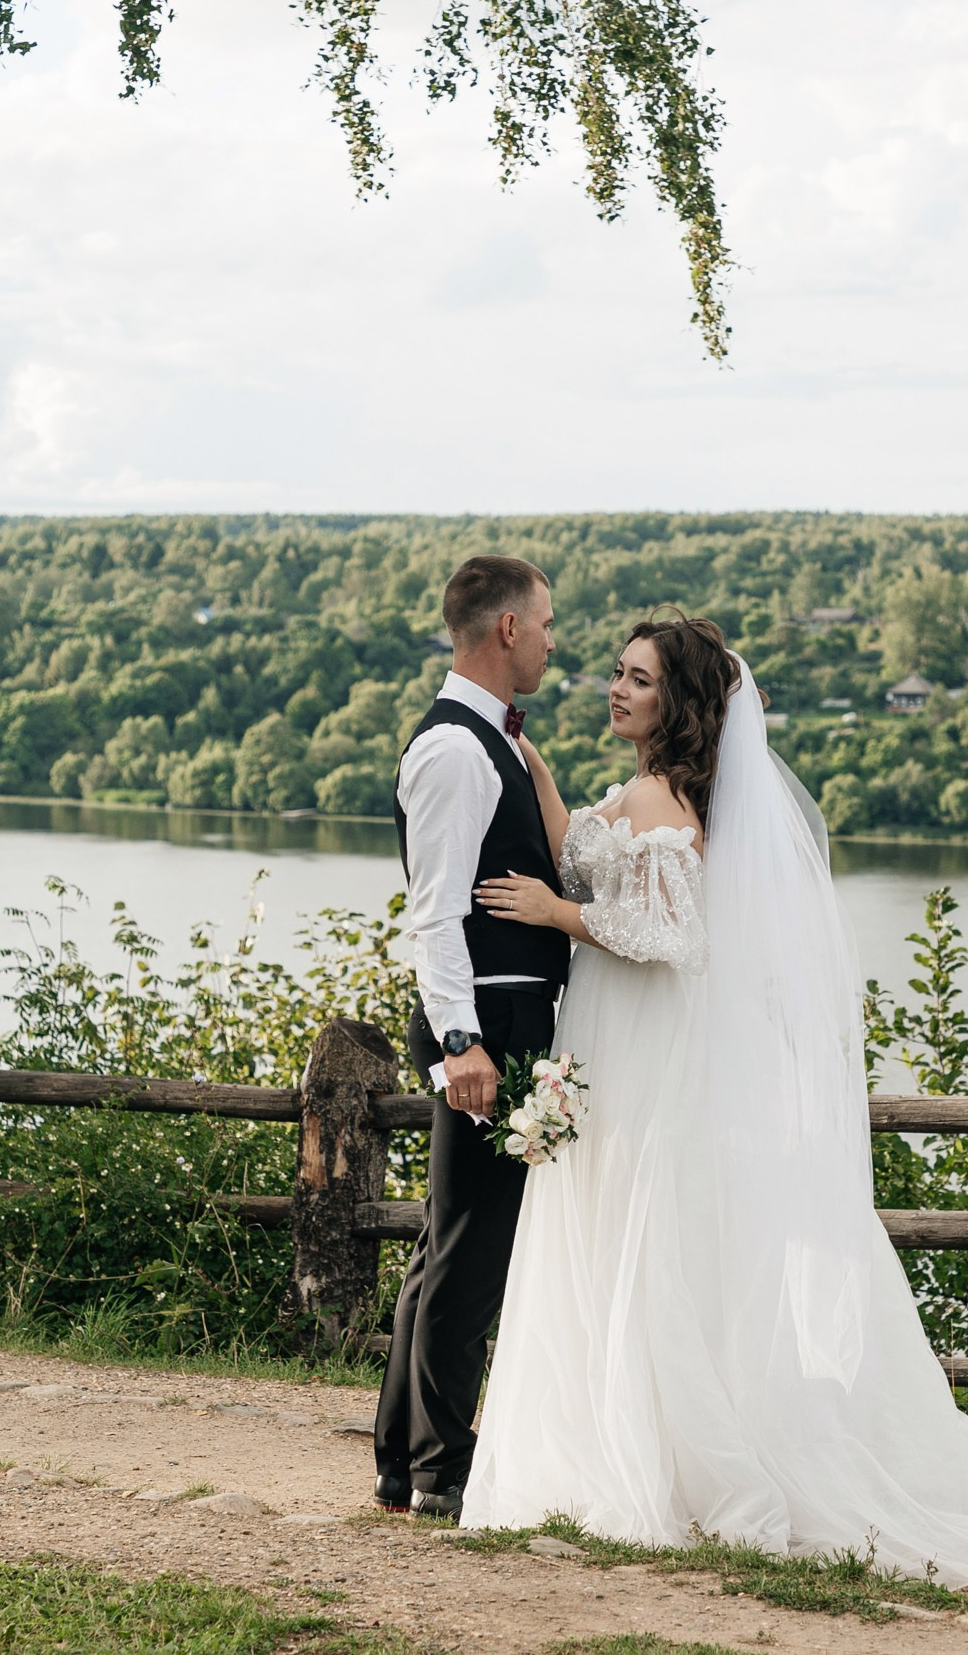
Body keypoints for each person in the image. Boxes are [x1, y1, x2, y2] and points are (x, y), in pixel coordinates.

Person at [463, 615, 968, 1589]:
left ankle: (678, 1455)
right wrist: (535, 769)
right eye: (618, 673)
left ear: (678, 701)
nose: (617, 688)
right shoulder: (643, 789)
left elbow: (674, 937)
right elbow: (582, 848)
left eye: (639, 679)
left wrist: (558, 914)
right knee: (622, 1230)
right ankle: (629, 1436)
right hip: (618, 1037)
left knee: (644, 1235)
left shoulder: (668, 800)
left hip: (647, 1043)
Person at [371, 554, 567, 1522]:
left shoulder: (495, 740)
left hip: (503, 1017)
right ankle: (442, 1467)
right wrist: (461, 1040)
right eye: (545, 624)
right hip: (485, 1024)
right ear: (506, 628)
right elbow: (436, 912)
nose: (552, 642)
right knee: (470, 1252)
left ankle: (400, 1456)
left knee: (448, 1241)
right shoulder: (455, 749)